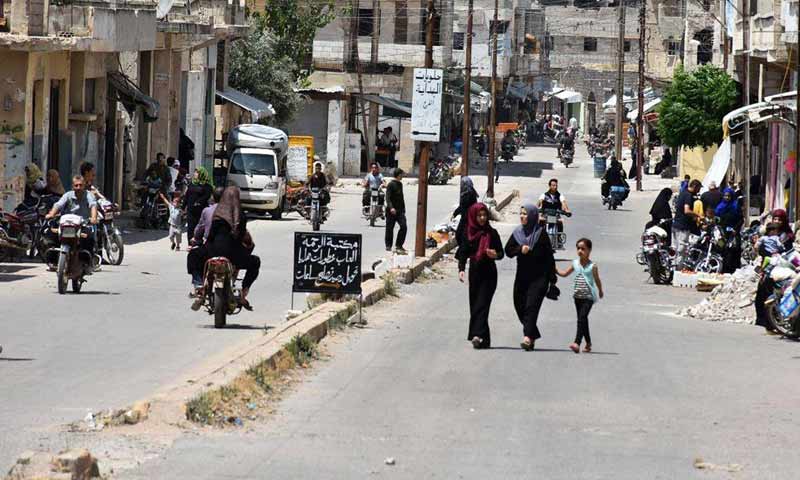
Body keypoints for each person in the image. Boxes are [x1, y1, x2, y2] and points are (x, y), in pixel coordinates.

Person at [191, 187, 260, 310]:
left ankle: (199, 285)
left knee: (193, 255)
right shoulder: (241, 216)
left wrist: (204, 246)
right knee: (255, 262)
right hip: (234, 256)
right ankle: (244, 292)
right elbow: (243, 237)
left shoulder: (217, 215)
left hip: (214, 252)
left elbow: (211, 236)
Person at [505, 203, 556, 351]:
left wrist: (552, 279)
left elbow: (549, 258)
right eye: (521, 214)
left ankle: (527, 337)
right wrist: (520, 249)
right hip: (522, 277)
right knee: (519, 304)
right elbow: (508, 251)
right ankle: (532, 334)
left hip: (539, 278)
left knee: (531, 307)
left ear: (532, 216)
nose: (522, 216)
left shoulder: (541, 234)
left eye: (525, 214)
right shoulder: (517, 233)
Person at [457, 203, 504, 349]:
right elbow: (463, 252)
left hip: (489, 274)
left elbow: (501, 253)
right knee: (475, 305)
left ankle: (476, 335)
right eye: (479, 216)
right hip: (475, 273)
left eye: (484, 215)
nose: (482, 218)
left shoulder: (492, 233)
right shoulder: (468, 233)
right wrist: (461, 269)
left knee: (482, 305)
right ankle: (485, 340)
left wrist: (495, 254)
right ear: (473, 216)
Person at [557, 238, 604, 354]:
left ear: (589, 250)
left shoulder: (593, 266)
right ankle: (588, 343)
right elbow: (564, 274)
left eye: (583, 249)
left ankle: (577, 343)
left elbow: (597, 279)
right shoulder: (575, 263)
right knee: (583, 320)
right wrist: (554, 269)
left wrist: (600, 290)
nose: (580, 251)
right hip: (577, 297)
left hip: (588, 297)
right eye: (578, 248)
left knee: (581, 319)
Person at [45, 175, 98, 251]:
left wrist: (93, 218)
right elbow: (58, 204)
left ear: (84, 186)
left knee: (89, 239)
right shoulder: (68, 195)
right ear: (73, 186)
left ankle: (86, 258)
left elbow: (93, 205)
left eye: (81, 185)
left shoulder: (89, 195)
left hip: (83, 225)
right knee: (50, 234)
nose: (78, 187)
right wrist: (51, 214)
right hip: (67, 224)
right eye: (76, 185)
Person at [673, 179, 702, 269]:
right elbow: (687, 210)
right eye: (698, 188)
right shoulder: (688, 196)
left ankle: (674, 268)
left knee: (676, 249)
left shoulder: (683, 193)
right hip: (683, 226)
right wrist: (698, 216)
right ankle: (679, 270)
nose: (699, 191)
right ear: (694, 186)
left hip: (676, 224)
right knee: (682, 249)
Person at [184, 166, 214, 238]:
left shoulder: (207, 186)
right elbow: (187, 195)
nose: (195, 174)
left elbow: (206, 196)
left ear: (201, 174)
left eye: (197, 172)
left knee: (200, 228)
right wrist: (183, 206)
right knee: (190, 227)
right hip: (191, 210)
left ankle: (199, 243)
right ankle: (190, 244)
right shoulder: (192, 183)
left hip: (201, 210)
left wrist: (198, 202)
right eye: (195, 172)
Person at [385, 168, 408, 254]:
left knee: (404, 226)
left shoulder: (400, 184)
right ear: (398, 175)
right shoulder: (391, 184)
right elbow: (388, 197)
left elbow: (401, 198)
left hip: (400, 210)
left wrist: (403, 209)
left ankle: (399, 245)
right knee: (389, 229)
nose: (403, 176)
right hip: (391, 211)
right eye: (402, 174)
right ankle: (388, 245)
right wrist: (391, 207)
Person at [452, 176, 479, 248]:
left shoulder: (468, 194)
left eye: (463, 184)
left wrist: (455, 214)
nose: (461, 185)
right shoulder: (470, 191)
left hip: (467, 218)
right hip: (469, 217)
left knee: (459, 234)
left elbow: (462, 206)